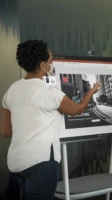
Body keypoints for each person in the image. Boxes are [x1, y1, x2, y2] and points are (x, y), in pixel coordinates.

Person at [0, 40, 101, 200]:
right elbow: (78, 109)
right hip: (41, 163)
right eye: (51, 61)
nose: (52, 64)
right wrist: (91, 92)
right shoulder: (50, 93)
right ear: (42, 65)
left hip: (15, 162)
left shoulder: (12, 90)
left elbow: (6, 131)